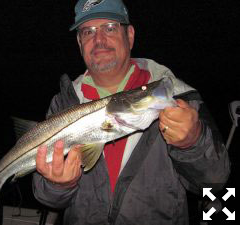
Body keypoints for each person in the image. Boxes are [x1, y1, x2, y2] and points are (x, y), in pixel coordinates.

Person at [32, 0, 230, 224]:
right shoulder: (63, 102)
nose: (98, 40)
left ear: (130, 35)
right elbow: (45, 196)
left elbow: (215, 181)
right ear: (80, 43)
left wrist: (193, 143)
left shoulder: (177, 97)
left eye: (110, 27)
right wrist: (59, 185)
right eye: (88, 32)